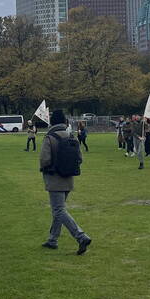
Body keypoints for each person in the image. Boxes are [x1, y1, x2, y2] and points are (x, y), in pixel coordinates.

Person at [39, 109, 92, 254]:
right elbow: (80, 159)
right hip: (68, 178)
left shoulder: (49, 137)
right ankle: (52, 240)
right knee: (58, 210)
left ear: (52, 121)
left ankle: (81, 236)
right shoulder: (71, 136)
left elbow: (44, 159)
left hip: (54, 179)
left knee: (58, 210)